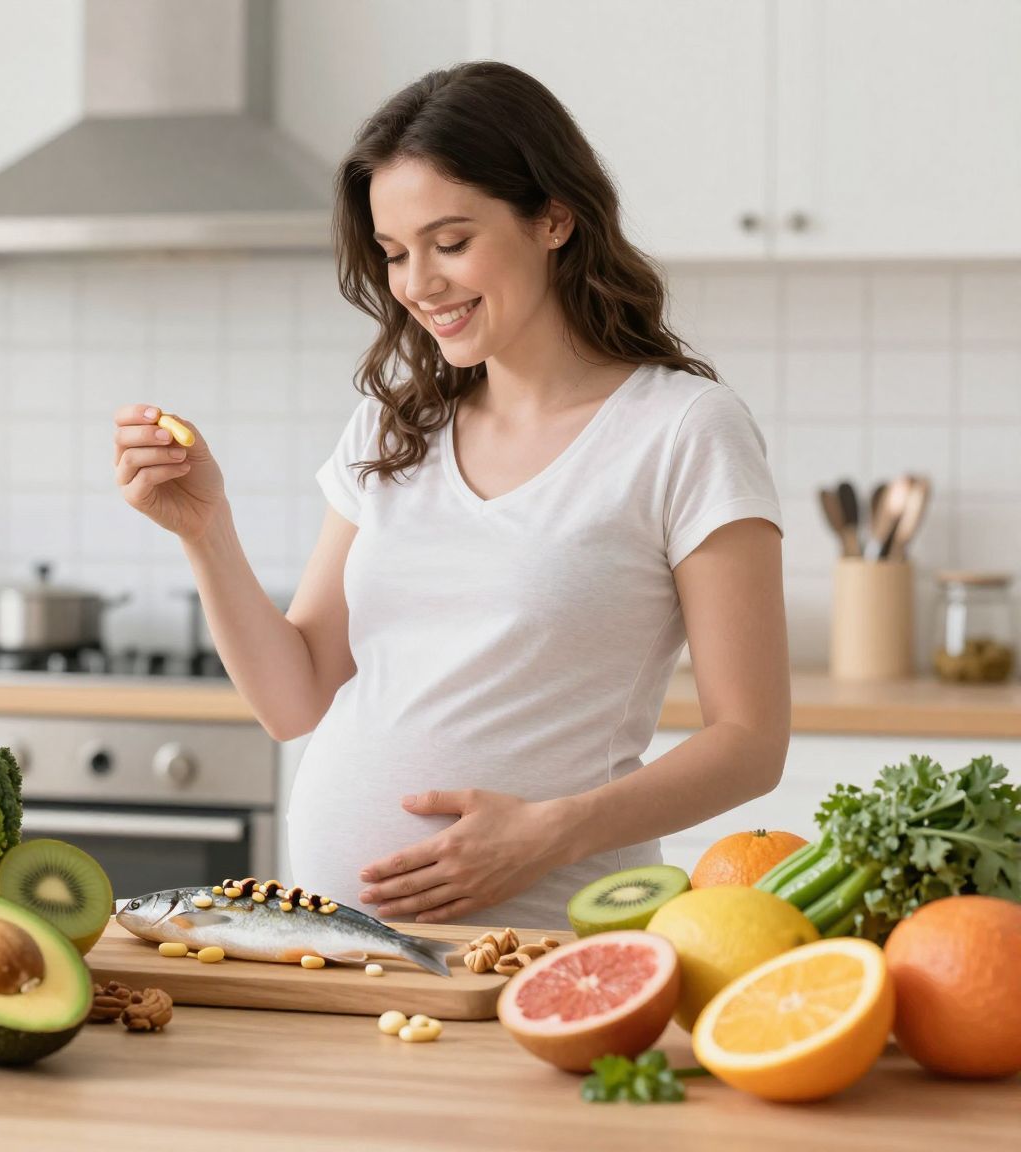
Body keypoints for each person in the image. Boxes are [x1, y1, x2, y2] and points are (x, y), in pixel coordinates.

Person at [111, 61, 791, 929]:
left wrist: (548, 833)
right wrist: (205, 531)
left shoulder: (685, 428)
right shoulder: (395, 424)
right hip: (339, 947)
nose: (418, 284)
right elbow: (295, 701)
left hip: (539, 947)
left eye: (451, 241)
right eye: (395, 253)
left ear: (553, 216)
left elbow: (751, 743)